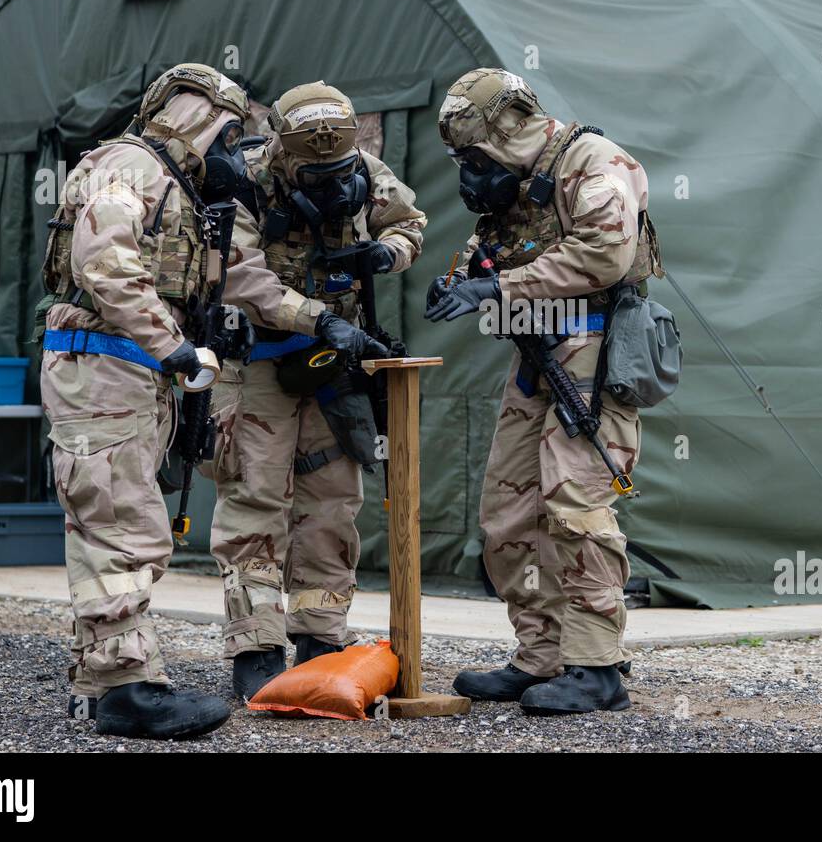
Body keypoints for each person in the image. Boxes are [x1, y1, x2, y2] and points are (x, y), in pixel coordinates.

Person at [426, 67, 662, 715]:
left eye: (471, 153)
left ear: (504, 126)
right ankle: (542, 654)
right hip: (535, 355)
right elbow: (490, 249)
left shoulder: (592, 161)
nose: (469, 169)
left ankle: (596, 665)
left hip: (593, 354)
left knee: (576, 506)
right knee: (508, 514)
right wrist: (461, 280)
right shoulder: (512, 180)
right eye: (461, 159)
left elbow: (604, 253)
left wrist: (499, 289)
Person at [39, 62, 256, 739]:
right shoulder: (130, 167)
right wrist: (177, 349)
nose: (231, 150)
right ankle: (130, 687)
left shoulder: (166, 177)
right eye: (228, 133)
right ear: (198, 115)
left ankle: (96, 680)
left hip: (123, 372)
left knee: (103, 522)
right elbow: (104, 263)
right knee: (124, 528)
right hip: (111, 370)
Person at [206, 81, 426, 699]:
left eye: (338, 167)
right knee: (255, 503)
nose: (330, 179)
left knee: (331, 502)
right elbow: (239, 276)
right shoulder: (238, 180)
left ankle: (320, 638)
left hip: (335, 366)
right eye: (313, 170)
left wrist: (387, 253)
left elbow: (411, 222)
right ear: (280, 148)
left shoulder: (365, 169)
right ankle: (256, 646)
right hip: (257, 363)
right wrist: (316, 317)